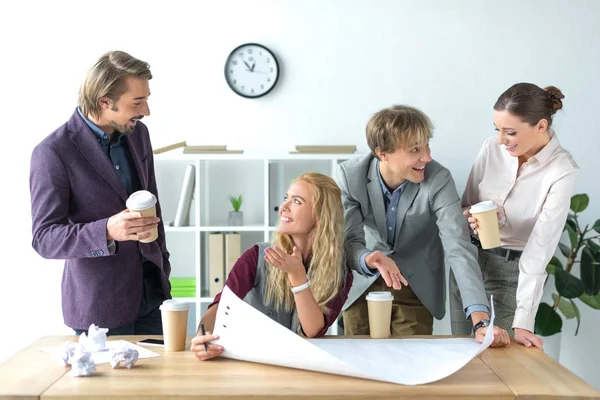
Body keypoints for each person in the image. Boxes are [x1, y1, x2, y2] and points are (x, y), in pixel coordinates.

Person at [336, 105, 509, 346]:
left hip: (416, 285)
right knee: (358, 362)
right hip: (364, 283)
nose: (426, 156)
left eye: (427, 145)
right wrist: (367, 258)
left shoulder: (438, 179)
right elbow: (349, 241)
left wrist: (480, 320)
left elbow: (458, 247)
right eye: (415, 149)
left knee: (411, 363)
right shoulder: (350, 175)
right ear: (382, 153)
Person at [30, 51, 171, 335]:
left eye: (147, 98)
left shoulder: (138, 135)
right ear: (104, 101)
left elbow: (152, 202)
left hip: (153, 295)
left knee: (164, 381)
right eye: (137, 102)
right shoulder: (53, 153)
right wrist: (106, 230)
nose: (146, 110)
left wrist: (163, 263)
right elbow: (44, 238)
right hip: (100, 307)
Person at [451, 83, 579, 349]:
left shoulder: (561, 170)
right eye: (497, 130)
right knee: (461, 356)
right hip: (470, 266)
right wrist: (476, 218)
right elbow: (468, 205)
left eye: (510, 132)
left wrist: (524, 320)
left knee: (499, 367)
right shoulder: (491, 148)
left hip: (511, 274)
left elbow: (540, 249)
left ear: (541, 126)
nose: (500, 140)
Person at [191, 173, 353, 361]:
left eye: (297, 202)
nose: (283, 207)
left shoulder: (340, 273)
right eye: (286, 198)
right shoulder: (255, 257)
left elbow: (313, 330)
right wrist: (202, 338)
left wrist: (297, 275)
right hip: (250, 363)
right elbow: (221, 305)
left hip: (302, 366)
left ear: (320, 216)